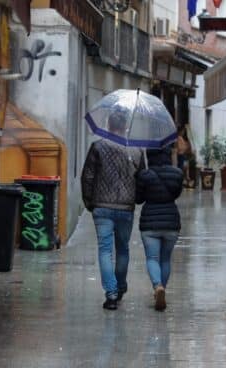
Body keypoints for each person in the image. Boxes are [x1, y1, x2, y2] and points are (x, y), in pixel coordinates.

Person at [81, 111, 144, 310]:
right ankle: (121, 286)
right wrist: (137, 199)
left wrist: (89, 202)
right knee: (123, 249)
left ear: (108, 125)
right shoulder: (136, 151)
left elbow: (88, 177)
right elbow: (142, 180)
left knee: (105, 250)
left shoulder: (97, 147)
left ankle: (111, 293)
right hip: (126, 208)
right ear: (125, 126)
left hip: (102, 207)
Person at [136, 147, 184, 311]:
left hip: (150, 223)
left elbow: (138, 199)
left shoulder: (145, 175)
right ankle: (162, 289)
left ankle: (157, 287)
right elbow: (176, 194)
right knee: (165, 259)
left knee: (152, 258)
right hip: (171, 222)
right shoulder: (177, 173)